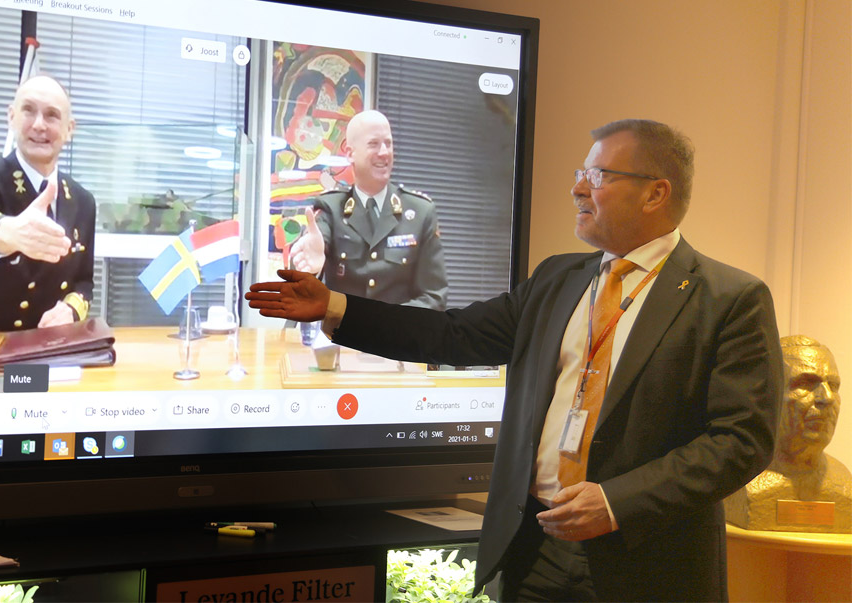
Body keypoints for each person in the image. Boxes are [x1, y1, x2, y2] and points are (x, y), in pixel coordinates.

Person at [247, 119, 783, 601]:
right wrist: (335, 305)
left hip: (646, 564)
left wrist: (617, 501)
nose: (577, 188)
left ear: (655, 193)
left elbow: (740, 441)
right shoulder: (558, 279)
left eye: (597, 176)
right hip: (535, 552)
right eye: (580, 173)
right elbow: (452, 334)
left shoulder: (728, 298)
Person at [0, 75, 95, 332]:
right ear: (11, 117)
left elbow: (83, 283)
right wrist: (8, 233)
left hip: (47, 345)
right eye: (28, 111)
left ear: (69, 129)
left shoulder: (83, 201)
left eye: (51, 115)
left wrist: (70, 310)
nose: (39, 125)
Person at [290, 110, 446, 309]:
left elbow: (434, 297)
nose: (384, 152)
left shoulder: (420, 212)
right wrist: (311, 269)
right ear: (350, 153)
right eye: (374, 144)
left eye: (388, 143)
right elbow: (304, 265)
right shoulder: (331, 209)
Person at [725, 335, 849, 532]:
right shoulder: (740, 476)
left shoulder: (843, 484)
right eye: (806, 383)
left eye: (833, 386)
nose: (827, 398)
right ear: (767, 397)